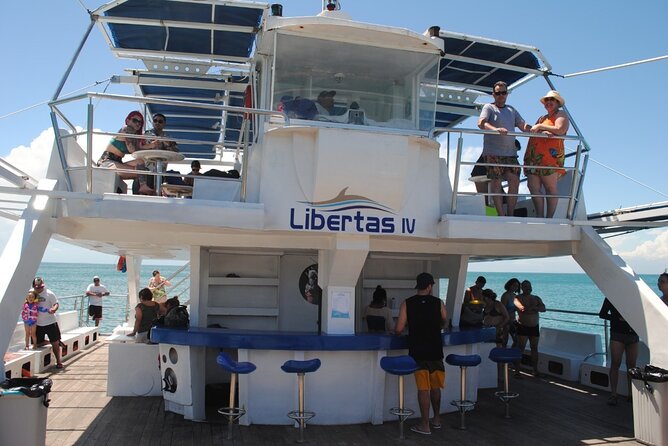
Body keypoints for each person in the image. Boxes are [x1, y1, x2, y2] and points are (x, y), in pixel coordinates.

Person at [395, 272, 447, 435]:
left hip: (418, 352)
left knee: (423, 388)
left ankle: (425, 425)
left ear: (418, 286)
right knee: (435, 386)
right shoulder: (439, 302)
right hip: (436, 351)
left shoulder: (407, 303)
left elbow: (399, 329)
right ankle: (436, 419)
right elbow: (444, 320)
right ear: (430, 286)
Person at [477, 81, 531, 216]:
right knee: (496, 183)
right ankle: (501, 215)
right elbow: (481, 123)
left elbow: (523, 125)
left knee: (515, 181)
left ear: (507, 94)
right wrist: (495, 129)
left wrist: (539, 130)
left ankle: (510, 213)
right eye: (498, 93)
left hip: (510, 154)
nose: (501, 95)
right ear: (493, 94)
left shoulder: (511, 110)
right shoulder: (488, 107)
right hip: (493, 153)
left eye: (504, 93)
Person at [524, 90, 570, 218]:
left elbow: (560, 129)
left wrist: (541, 127)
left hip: (550, 157)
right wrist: (540, 128)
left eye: (552, 100)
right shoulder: (542, 118)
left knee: (550, 187)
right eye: (547, 100)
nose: (549, 102)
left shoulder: (561, 114)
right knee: (533, 186)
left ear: (557, 103)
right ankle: (540, 215)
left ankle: (549, 217)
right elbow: (536, 130)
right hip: (534, 156)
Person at [97, 111, 154, 195]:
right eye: (135, 120)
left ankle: (143, 187)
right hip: (106, 162)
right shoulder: (126, 129)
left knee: (140, 162)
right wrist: (148, 147)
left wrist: (152, 145)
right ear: (128, 121)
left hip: (117, 162)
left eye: (140, 122)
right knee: (141, 171)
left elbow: (138, 148)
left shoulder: (133, 135)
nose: (138, 123)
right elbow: (132, 150)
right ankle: (143, 189)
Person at [598, 297, 639, 406]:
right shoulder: (610, 297)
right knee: (616, 363)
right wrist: (617, 318)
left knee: (632, 366)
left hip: (633, 335)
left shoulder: (635, 297)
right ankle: (613, 394)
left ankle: (631, 395)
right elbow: (602, 314)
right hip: (617, 334)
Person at [514, 280, 546, 377]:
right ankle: (517, 371)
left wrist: (533, 308)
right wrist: (535, 308)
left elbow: (543, 308)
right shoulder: (517, 298)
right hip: (522, 326)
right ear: (522, 288)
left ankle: (535, 370)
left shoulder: (536, 298)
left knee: (534, 348)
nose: (528, 288)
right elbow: (523, 309)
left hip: (534, 327)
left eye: (529, 286)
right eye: (526, 286)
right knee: (520, 348)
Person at [33, 277, 64, 368]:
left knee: (55, 343)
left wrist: (53, 309)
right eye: (37, 287)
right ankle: (48, 342)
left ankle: (58, 362)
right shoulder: (31, 293)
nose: (39, 289)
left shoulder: (49, 293)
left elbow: (56, 304)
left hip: (50, 322)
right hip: (38, 323)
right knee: (35, 344)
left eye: (41, 287)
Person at [500, 277, 521, 347]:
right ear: (509, 285)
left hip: (513, 320)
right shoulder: (505, 296)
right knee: (504, 341)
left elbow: (518, 308)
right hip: (506, 321)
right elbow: (502, 310)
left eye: (517, 286)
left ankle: (510, 355)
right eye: (514, 285)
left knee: (517, 341)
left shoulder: (515, 296)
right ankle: (502, 355)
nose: (515, 287)